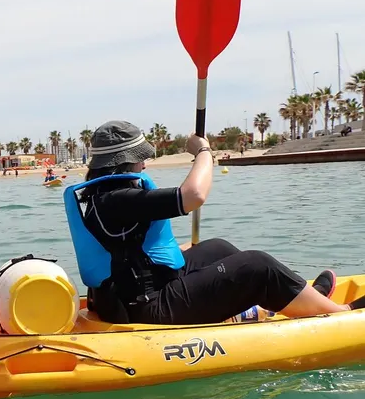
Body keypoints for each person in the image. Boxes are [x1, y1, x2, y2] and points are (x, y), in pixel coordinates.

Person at [63, 120, 365, 325]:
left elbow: (126, 252)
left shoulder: (102, 194)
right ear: (125, 161)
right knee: (257, 266)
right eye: (140, 158)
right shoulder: (118, 198)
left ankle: (292, 300)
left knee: (216, 248)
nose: (144, 164)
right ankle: (338, 313)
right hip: (146, 309)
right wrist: (204, 152)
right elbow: (193, 194)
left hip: (127, 295)